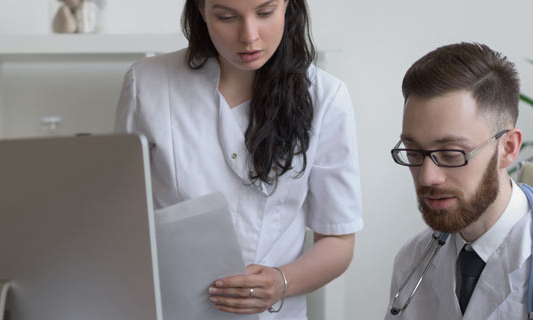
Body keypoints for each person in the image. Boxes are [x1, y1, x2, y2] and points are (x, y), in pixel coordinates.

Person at [114, 0, 363, 318]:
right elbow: (122, 220)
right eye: (227, 16)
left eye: (265, 13)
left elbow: (338, 239)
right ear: (202, 10)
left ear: (287, 5)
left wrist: (280, 282)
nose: (249, 36)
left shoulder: (326, 97)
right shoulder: (147, 84)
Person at [385, 42, 533, 320]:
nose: (427, 176)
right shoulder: (413, 260)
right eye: (414, 152)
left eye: (451, 154)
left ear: (508, 148)